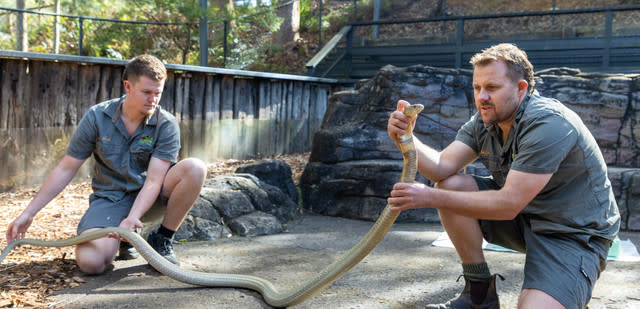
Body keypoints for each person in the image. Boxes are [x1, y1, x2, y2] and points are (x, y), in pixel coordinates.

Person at [387, 43, 620, 309]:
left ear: (521, 88)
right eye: (477, 88)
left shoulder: (549, 124)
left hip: (572, 233)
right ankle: (479, 295)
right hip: (527, 219)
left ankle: (564, 290)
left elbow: (508, 205)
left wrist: (429, 197)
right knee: (451, 184)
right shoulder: (486, 120)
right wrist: (406, 137)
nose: (482, 97)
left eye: (492, 88)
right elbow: (440, 166)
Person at [6, 54, 207, 275]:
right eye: (146, 92)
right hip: (111, 199)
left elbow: (154, 180)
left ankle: (162, 239)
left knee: (195, 168)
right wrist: (29, 212)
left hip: (150, 199)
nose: (153, 99)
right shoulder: (97, 117)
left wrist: (133, 218)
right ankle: (125, 241)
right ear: (128, 86)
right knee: (91, 263)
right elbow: (66, 168)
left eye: (157, 93)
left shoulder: (166, 124)